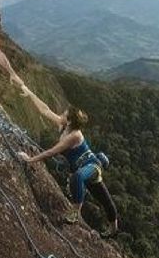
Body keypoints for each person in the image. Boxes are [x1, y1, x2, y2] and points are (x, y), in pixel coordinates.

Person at [16, 86, 118, 232]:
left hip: (92, 166)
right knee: (103, 198)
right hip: (82, 169)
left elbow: (51, 152)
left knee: (79, 178)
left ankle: (77, 214)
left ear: (69, 121)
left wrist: (29, 160)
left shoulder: (74, 136)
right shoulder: (64, 126)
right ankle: (113, 228)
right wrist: (30, 93)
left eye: (65, 113)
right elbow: (45, 110)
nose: (61, 114)